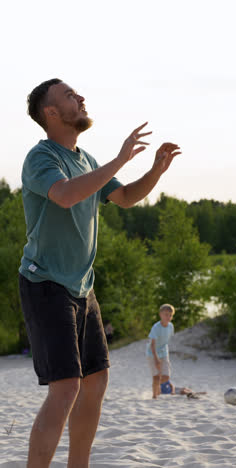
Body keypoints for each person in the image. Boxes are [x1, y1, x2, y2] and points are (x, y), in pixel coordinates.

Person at [18, 78, 181, 468]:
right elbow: (65, 194)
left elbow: (124, 198)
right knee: (66, 387)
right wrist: (121, 159)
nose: (81, 98)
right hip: (45, 284)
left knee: (96, 381)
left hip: (81, 287)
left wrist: (155, 171)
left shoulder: (87, 160)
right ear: (52, 113)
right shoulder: (41, 159)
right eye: (70, 96)